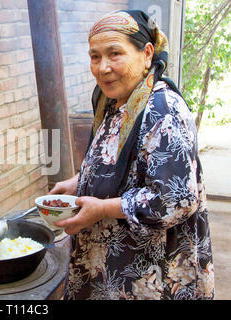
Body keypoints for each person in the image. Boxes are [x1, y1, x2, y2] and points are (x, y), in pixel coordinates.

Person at [50, 10, 214, 300]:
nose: (102, 68)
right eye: (95, 56)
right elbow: (111, 157)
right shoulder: (115, 101)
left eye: (115, 53)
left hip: (147, 270)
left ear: (147, 54)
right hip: (110, 260)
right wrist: (80, 180)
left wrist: (102, 209)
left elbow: (174, 201)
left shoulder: (162, 109)